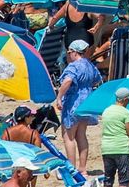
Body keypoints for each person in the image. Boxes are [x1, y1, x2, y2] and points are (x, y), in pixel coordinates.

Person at [56, 40, 101, 170]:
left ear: (75, 52)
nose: (68, 55)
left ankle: (72, 169)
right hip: (86, 102)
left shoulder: (74, 66)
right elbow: (96, 80)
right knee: (81, 135)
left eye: (69, 52)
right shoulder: (90, 65)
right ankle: (83, 169)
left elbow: (67, 81)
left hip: (73, 102)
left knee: (68, 137)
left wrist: (59, 97)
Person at [101, 88, 129, 187]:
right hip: (121, 148)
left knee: (108, 179)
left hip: (107, 148)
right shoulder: (125, 112)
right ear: (125, 99)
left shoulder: (106, 111)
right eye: (128, 100)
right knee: (124, 181)